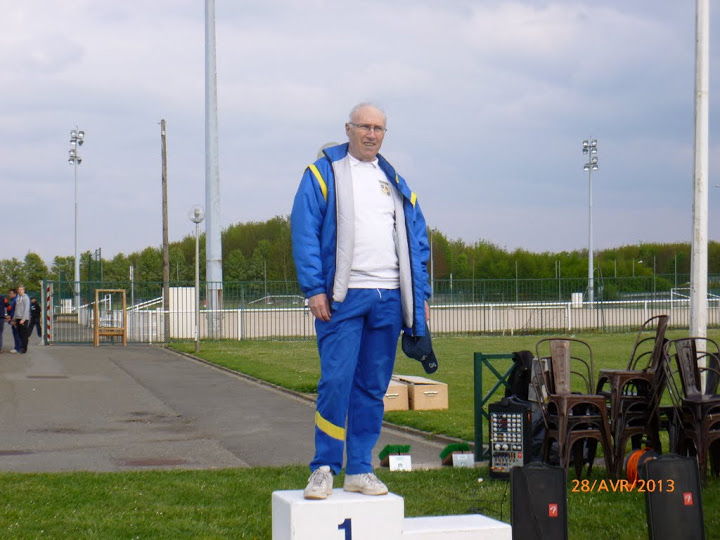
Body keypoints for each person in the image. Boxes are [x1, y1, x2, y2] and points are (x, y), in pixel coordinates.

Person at [291, 103, 431, 500]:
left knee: (372, 386)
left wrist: (420, 296)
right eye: (365, 126)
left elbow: (419, 243)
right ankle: (323, 468)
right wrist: (314, 289)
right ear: (348, 129)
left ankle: (360, 469)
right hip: (342, 297)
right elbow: (304, 231)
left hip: (389, 298)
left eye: (379, 128)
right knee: (336, 381)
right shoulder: (322, 173)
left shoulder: (395, 181)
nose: (372, 134)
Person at [13, 285, 30, 354]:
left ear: (24, 290)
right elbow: (16, 308)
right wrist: (14, 318)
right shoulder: (18, 298)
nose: (20, 291)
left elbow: (26, 309)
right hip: (18, 317)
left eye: (21, 289)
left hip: (23, 318)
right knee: (19, 334)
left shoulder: (25, 298)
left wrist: (23, 319)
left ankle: (24, 348)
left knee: (24, 334)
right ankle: (21, 347)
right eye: (19, 289)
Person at [6, 289, 21, 353]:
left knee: (16, 333)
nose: (10, 295)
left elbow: (16, 311)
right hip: (13, 318)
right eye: (9, 293)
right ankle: (18, 347)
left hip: (15, 319)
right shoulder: (12, 301)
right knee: (16, 333)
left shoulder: (16, 301)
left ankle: (18, 348)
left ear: (15, 294)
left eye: (11, 293)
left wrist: (13, 319)